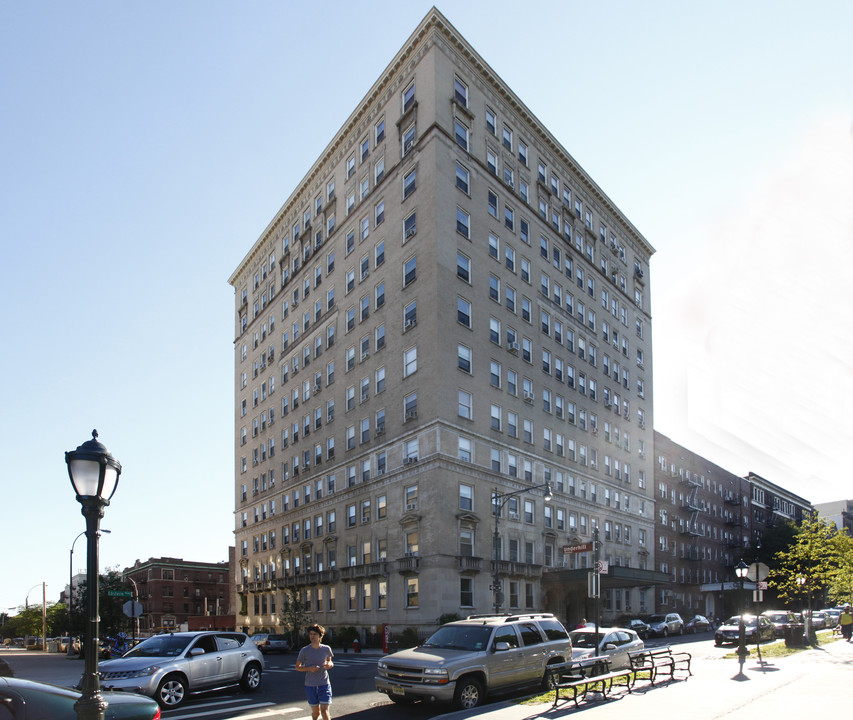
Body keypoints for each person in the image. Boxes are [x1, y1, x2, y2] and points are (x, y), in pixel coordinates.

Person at [296, 624, 335, 720]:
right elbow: (297, 667)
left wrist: (330, 665)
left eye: (314, 634)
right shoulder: (304, 650)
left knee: (324, 711)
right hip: (310, 686)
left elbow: (330, 660)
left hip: (324, 684)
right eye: (310, 634)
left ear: (320, 636)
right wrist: (309, 668)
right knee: (316, 713)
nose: (312, 636)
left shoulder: (326, 649)